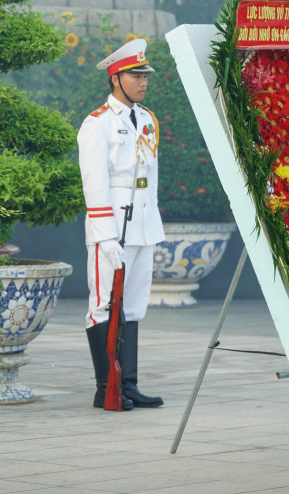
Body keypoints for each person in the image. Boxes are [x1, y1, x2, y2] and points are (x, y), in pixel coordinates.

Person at [77, 38, 165, 410]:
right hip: (112, 226)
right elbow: (93, 181)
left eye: (145, 74)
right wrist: (105, 234)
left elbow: (150, 176)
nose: (143, 81)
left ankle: (126, 385)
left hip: (142, 222)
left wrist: (152, 221)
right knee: (102, 305)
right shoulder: (97, 124)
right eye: (135, 75)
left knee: (133, 305)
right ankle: (105, 388)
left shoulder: (145, 118)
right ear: (116, 78)